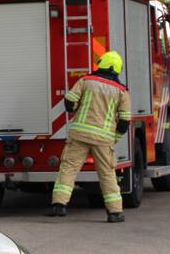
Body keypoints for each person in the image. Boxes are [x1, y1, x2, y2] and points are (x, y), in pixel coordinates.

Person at [48, 50, 132, 223]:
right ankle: (115, 213)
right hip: (104, 140)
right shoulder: (121, 91)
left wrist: (74, 111)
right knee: (107, 174)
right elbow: (124, 122)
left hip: (79, 134)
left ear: (101, 64)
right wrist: (113, 138)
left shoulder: (85, 81)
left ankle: (59, 206)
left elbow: (69, 102)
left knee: (69, 169)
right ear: (116, 69)